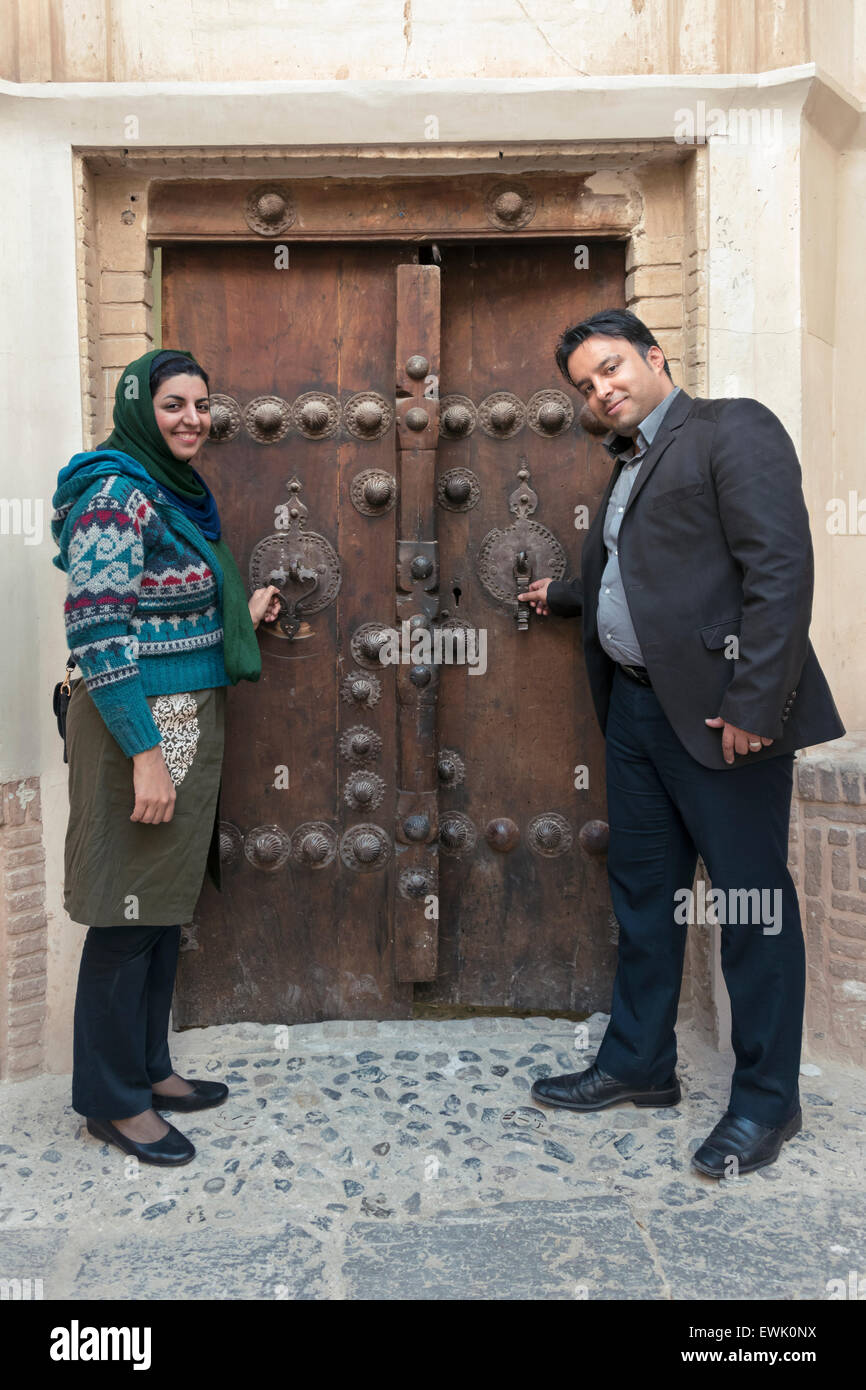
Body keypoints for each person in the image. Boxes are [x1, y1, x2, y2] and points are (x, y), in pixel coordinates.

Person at [518, 309, 845, 1177]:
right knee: (645, 897)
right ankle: (639, 1064)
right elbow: (650, 577)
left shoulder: (730, 428)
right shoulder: (626, 461)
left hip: (722, 720)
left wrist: (755, 705)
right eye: (586, 385)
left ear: (657, 358)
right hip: (635, 716)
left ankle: (769, 1104)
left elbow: (780, 571)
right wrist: (565, 595)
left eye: (613, 368)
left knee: (748, 907)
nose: (602, 391)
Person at [51, 348, 281, 1167]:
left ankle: (147, 1070)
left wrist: (239, 613)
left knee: (159, 906)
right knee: (126, 910)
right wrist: (146, 753)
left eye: (201, 405)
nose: (192, 419)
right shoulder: (114, 495)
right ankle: (111, 1103)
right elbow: (98, 631)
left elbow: (161, 610)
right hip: (137, 727)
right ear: (139, 408)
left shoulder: (167, 494)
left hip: (180, 715)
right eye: (174, 404)